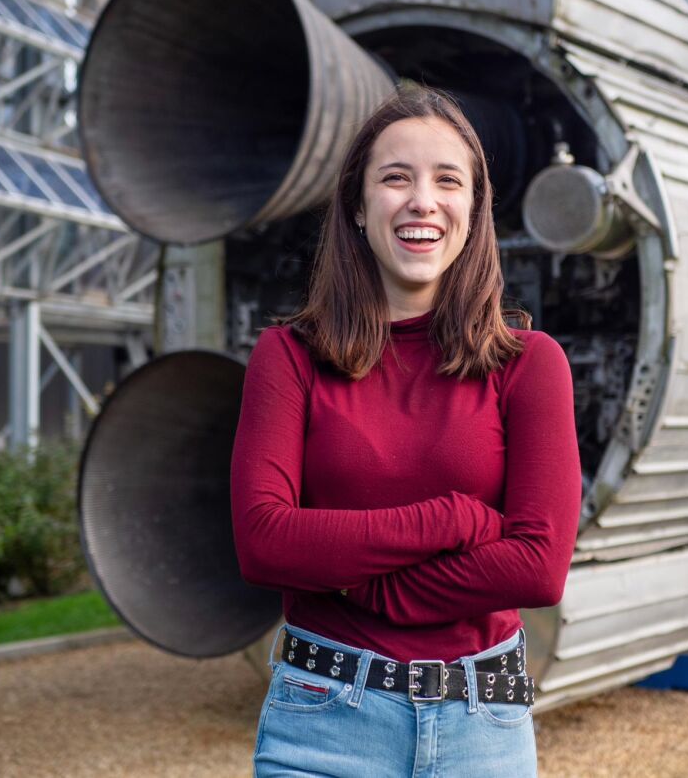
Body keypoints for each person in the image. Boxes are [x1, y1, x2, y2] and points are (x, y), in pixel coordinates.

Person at [230, 85, 582, 777]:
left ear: (473, 210)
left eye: (447, 180)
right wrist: (452, 518)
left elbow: (539, 566)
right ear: (359, 208)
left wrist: (366, 586)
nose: (423, 200)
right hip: (321, 725)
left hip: (483, 726)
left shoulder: (530, 365)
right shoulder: (290, 357)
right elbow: (264, 542)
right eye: (396, 177)